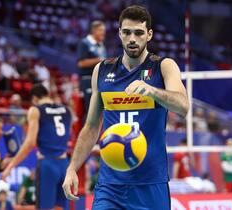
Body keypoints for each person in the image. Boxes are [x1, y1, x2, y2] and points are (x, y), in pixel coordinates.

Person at [62, 5, 189, 209]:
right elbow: (92, 126)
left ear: (149, 35)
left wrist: (152, 91)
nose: (132, 39)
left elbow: (183, 107)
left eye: (138, 33)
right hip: (110, 185)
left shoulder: (163, 66)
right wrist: (72, 169)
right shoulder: (102, 70)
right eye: (127, 32)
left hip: (150, 183)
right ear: (119, 33)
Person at [2, 84, 72, 210]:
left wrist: (10, 166)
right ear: (47, 94)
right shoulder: (66, 110)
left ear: (34, 98)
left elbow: (30, 143)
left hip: (48, 164)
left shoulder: (36, 110)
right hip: (65, 165)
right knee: (61, 208)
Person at [77, 20, 107, 114]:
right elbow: (81, 63)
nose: (103, 32)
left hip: (100, 80)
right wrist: (98, 60)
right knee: (90, 110)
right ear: (94, 30)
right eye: (101, 30)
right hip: (88, 80)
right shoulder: (85, 43)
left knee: (100, 109)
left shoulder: (101, 45)